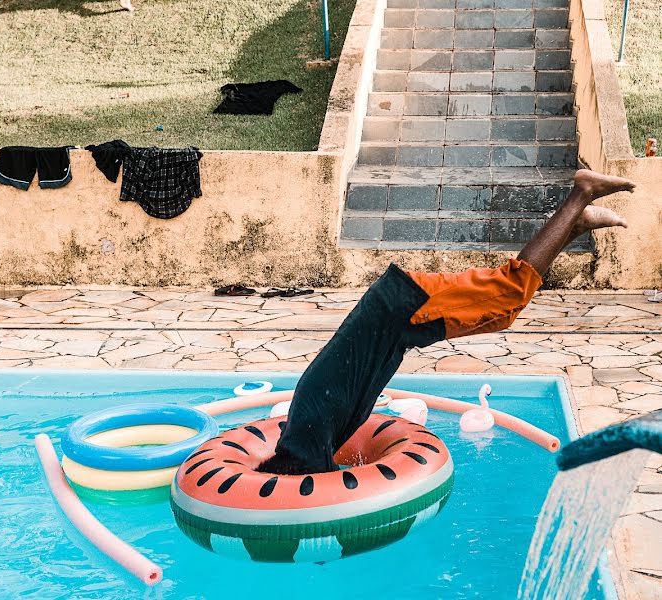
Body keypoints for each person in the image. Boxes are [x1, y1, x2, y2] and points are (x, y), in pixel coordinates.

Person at [259, 169, 636, 475]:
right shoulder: (306, 430)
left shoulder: (306, 440)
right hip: (399, 318)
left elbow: (318, 492)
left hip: (403, 307)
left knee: (509, 290)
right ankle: (574, 224)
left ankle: (580, 192)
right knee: (504, 312)